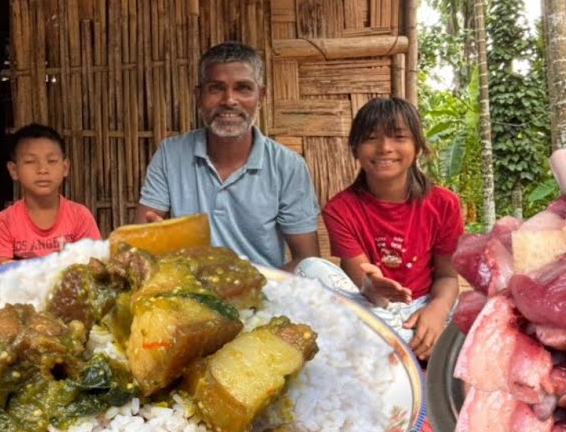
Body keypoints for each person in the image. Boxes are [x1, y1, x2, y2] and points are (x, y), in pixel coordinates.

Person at [135, 41, 320, 271]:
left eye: (243, 88)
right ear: (198, 95)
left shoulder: (288, 167)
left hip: (263, 297)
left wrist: (251, 286)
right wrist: (157, 239)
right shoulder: (170, 154)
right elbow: (140, 241)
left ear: (261, 96)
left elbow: (307, 261)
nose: (229, 100)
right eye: (216, 88)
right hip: (189, 292)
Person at [319, 97, 464, 361]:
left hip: (424, 304)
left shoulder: (444, 204)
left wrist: (437, 311)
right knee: (311, 270)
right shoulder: (339, 209)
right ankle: (414, 348)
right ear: (355, 148)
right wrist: (373, 288)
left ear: (418, 146)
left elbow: (448, 277)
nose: (385, 148)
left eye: (398, 137)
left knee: (478, 310)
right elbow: (360, 284)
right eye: (371, 138)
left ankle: (401, 349)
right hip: (373, 309)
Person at [0, 123, 102, 265]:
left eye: (51, 161)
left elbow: (95, 267)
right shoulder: (3, 222)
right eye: (30, 161)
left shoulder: (80, 216)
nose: (42, 169)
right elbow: (0, 276)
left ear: (65, 167)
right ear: (13, 170)